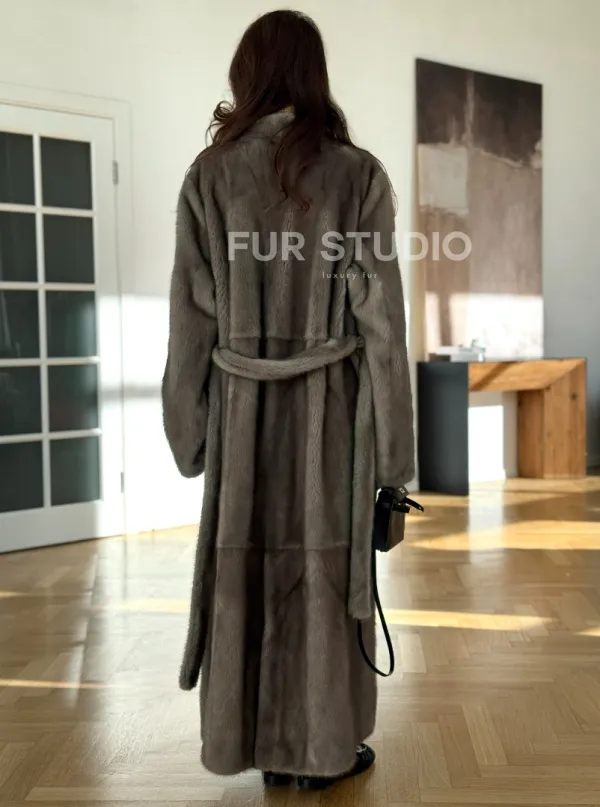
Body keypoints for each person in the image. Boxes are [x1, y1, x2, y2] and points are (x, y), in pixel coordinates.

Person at [162, 8, 414, 792]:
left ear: (247, 74)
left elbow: (191, 319)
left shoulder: (209, 176)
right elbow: (382, 323)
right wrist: (394, 459)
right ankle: (322, 749)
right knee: (323, 577)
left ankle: (259, 742)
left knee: (245, 574)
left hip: (241, 415)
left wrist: (189, 432)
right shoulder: (358, 175)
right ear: (314, 75)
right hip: (331, 417)